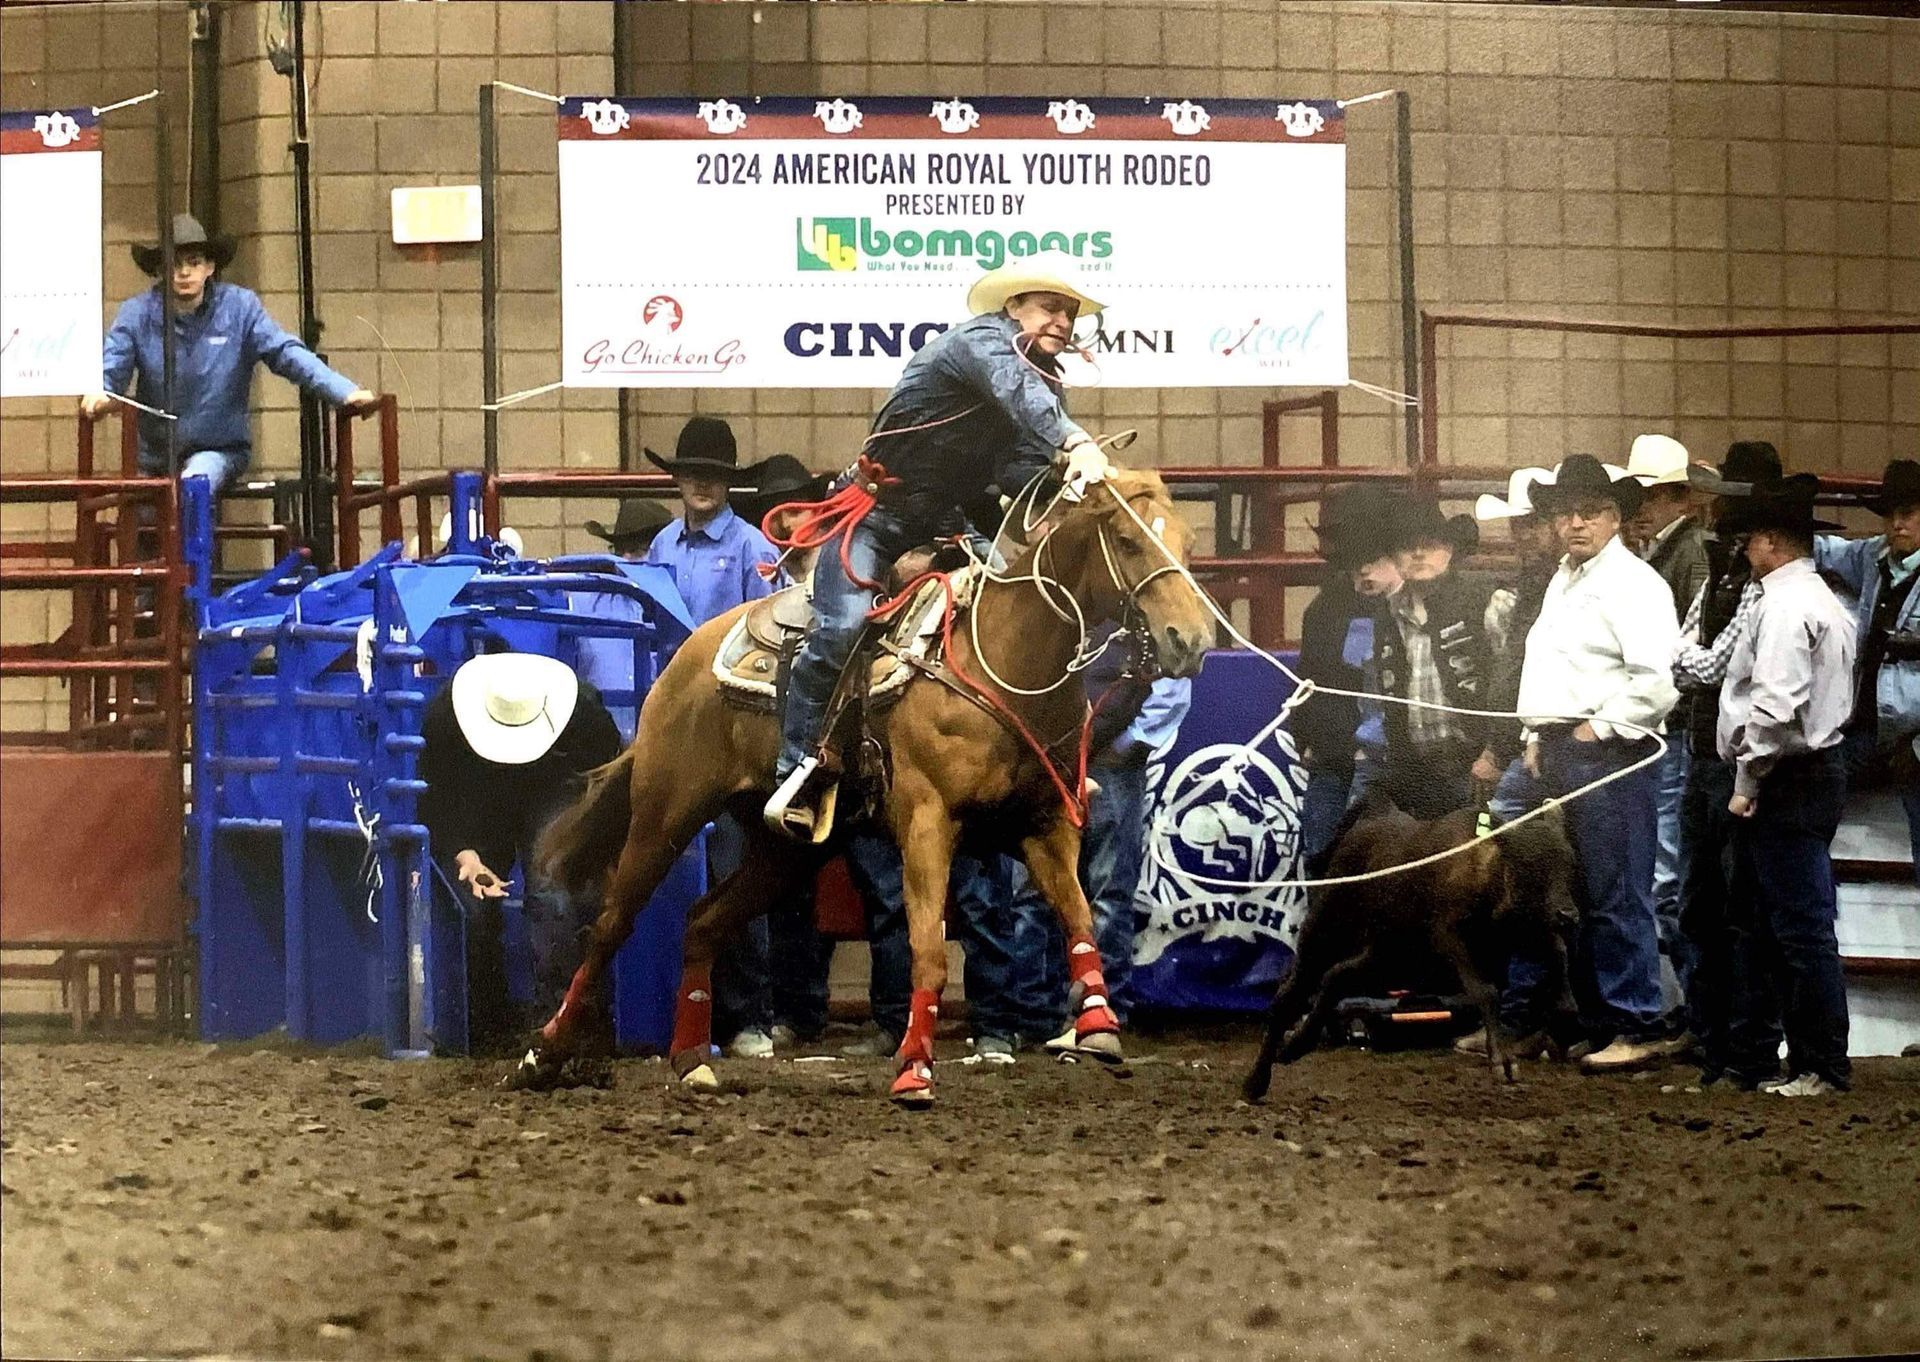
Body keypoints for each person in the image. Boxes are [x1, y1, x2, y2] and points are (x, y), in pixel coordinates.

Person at [765, 251, 1113, 839]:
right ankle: (796, 763)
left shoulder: (1039, 385)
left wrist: (1062, 477)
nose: (1062, 322)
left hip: (944, 518)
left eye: (1070, 314)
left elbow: (1022, 468)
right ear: (1013, 307)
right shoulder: (982, 343)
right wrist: (1075, 442)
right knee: (841, 625)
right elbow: (1020, 394)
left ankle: (1045, 760)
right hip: (874, 513)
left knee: (1027, 604)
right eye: (1051, 307)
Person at [1513, 454, 1681, 1072]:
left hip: (1611, 750)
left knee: (1617, 890)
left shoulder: (1635, 585)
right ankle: (1604, 1019)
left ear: (1614, 517)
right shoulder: (1567, 578)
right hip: (1564, 746)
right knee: (1580, 892)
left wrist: (1597, 726)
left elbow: (1656, 681)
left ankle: (1638, 1019)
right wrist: (1537, 733)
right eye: (1565, 514)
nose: (1575, 524)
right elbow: (1555, 665)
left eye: (1590, 512)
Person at [639, 416, 788, 1059]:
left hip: (735, 732)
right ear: (679, 480)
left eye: (714, 475)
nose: (702, 483)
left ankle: (749, 1015)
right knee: (679, 868)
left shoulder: (755, 550)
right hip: (682, 729)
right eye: (693, 472)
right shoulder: (661, 550)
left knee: (736, 868)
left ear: (728, 484)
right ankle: (691, 1012)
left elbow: (779, 638)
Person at [1714, 475, 1856, 1096]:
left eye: (1751, 539)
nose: (1745, 548)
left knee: (1792, 927)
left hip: (1785, 778)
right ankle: (1801, 1059)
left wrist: (1746, 779)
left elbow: (1772, 709)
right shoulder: (1822, 601)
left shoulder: (1783, 607)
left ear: (1770, 541)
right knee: (1786, 924)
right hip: (1808, 774)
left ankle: (1819, 1063)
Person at [84, 214, 377, 497]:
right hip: (153, 461)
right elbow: (112, 372)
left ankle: (192, 547)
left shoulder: (240, 308)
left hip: (219, 451)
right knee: (145, 530)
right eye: (174, 263)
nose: (184, 272)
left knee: (194, 487)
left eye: (193, 262)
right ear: (160, 270)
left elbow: (285, 352)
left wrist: (344, 391)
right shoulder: (136, 314)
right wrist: (100, 394)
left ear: (209, 267)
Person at [417, 652, 622, 1055]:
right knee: (478, 907)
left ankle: (558, 1022)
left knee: (553, 893)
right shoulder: (446, 718)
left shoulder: (583, 713)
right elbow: (437, 797)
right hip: (478, 792)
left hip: (553, 782)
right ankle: (489, 1025)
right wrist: (465, 855)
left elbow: (607, 781)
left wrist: (598, 846)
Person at [1002, 636, 1194, 1050]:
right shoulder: (1066, 612)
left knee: (1101, 889)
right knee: (1037, 892)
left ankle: (1097, 1011)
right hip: (1052, 761)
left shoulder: (1138, 623)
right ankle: (1044, 1014)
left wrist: (1123, 748)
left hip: (1100, 764)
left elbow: (1172, 688)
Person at [1669, 440, 1783, 1080]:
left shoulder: (1757, 585)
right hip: (1708, 753)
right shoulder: (1722, 571)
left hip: (1734, 759)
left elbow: (1703, 662)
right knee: (1703, 904)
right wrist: (1694, 663)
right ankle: (1719, 1044)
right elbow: (1690, 655)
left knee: (1739, 909)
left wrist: (1692, 663)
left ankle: (1743, 1047)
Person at [1625, 434, 1712, 966]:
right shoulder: (1678, 550)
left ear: (1678, 499)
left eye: (1652, 497)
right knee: (1665, 867)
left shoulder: (1689, 555)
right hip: (1672, 725)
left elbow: (1691, 645)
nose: (1643, 508)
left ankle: (1690, 1003)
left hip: (1676, 725)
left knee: (1667, 870)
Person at [1814, 457, 1920, 886]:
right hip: (1867, 726)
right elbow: (1824, 549)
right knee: (1812, 805)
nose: (1898, 523)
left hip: (1912, 734)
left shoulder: (1875, 559)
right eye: (1892, 513)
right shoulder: (1873, 556)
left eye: (1909, 513)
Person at [1295, 483, 1402, 867]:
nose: (1362, 567)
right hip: (1333, 757)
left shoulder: (1408, 613)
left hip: (1383, 764)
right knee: (1321, 856)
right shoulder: (1325, 609)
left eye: (1372, 555)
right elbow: (1309, 678)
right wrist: (1306, 736)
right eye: (1355, 556)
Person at [1373, 494, 1496, 819]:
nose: (1418, 553)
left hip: (1478, 769)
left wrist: (1495, 753)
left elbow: (1512, 680)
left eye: (1430, 544)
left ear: (1450, 551)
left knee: (1479, 854)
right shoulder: (1387, 615)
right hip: (1415, 775)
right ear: (1395, 558)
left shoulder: (1484, 602)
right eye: (1407, 546)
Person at [1476, 467, 1557, 823]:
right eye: (1518, 525)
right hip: (1524, 738)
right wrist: (1496, 747)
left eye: (1533, 523)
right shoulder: (1526, 587)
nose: (1524, 534)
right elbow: (1510, 674)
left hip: (1552, 738)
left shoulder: (1560, 585)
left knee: (1501, 819)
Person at [571, 497, 675, 743]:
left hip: (665, 748)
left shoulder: (682, 601)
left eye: (639, 549)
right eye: (620, 550)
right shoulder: (583, 603)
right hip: (600, 749)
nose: (627, 559)